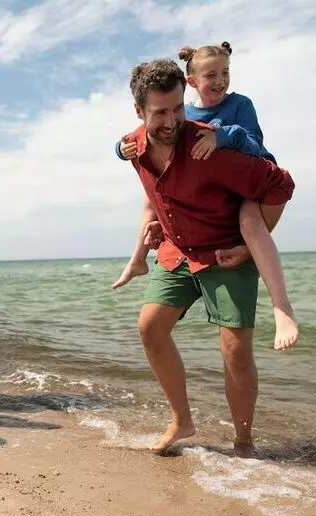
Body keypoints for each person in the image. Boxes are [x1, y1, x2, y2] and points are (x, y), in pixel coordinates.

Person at [119, 58, 294, 456]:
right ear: (139, 112)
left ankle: (244, 440)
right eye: (160, 111)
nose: (171, 121)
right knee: (150, 327)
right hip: (178, 250)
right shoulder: (135, 147)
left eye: (178, 108)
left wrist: (250, 246)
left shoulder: (209, 145)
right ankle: (181, 421)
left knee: (235, 349)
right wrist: (162, 224)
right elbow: (157, 191)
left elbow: (280, 183)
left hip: (225, 250)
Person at [112, 42, 299, 352]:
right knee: (152, 196)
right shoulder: (183, 116)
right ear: (193, 83)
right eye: (211, 74)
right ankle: (136, 261)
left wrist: (220, 135)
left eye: (225, 72)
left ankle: (281, 307)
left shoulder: (238, 104)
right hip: (204, 216)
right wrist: (120, 150)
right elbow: (141, 140)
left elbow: (253, 143)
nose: (220, 80)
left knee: (251, 226)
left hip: (248, 188)